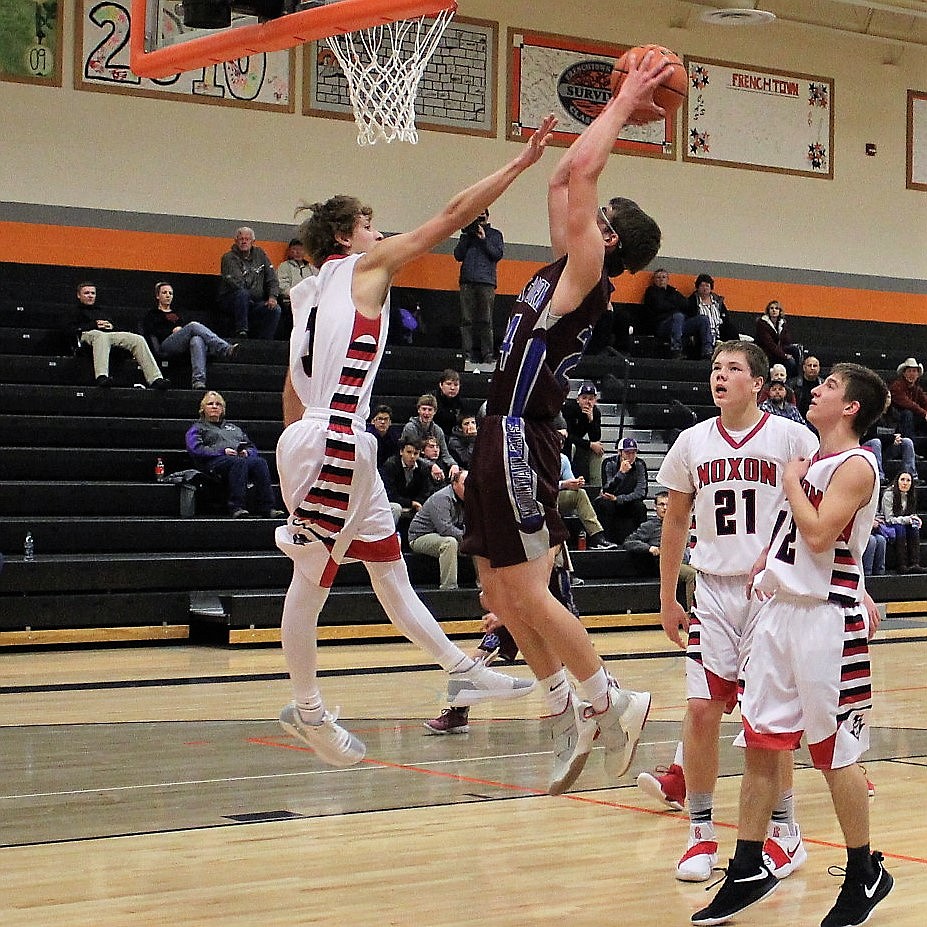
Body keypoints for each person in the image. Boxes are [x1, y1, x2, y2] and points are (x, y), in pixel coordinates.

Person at [273, 115, 557, 766]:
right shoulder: (364, 264)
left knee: (388, 567)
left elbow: (290, 389)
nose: (380, 233)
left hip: (321, 435)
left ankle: (459, 668)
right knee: (312, 581)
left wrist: (298, 456)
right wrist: (518, 164)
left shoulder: (307, 294)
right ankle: (307, 708)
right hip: (337, 437)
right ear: (347, 235)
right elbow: (453, 214)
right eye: (370, 224)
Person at [461, 51, 670, 796]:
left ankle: (611, 699)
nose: (590, 207)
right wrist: (531, 160)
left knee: (529, 588)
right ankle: (564, 707)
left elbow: (582, 174)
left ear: (608, 239)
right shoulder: (565, 262)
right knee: (496, 587)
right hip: (497, 429)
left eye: (601, 214)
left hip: (523, 430)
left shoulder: (584, 268)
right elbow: (564, 177)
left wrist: (620, 103)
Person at [692, 363, 892, 927]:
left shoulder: (857, 465)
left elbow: (822, 532)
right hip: (780, 616)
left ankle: (864, 873)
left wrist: (789, 484)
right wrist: (765, 561)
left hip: (827, 623)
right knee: (762, 743)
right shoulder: (813, 464)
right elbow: (794, 535)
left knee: (834, 755)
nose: (817, 388)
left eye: (829, 385)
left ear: (850, 407)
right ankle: (748, 865)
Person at [638, 340, 819, 884]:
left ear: (757, 382)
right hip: (712, 590)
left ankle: (784, 830)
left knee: (768, 720)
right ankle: (699, 833)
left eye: (733, 369)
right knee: (700, 710)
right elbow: (674, 522)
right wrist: (669, 596)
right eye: (716, 368)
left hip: (771, 592)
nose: (720, 376)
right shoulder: (692, 441)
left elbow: (818, 515)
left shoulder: (792, 438)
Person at [185, 390, 284, 518]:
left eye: (218, 404)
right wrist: (221, 451)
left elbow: (251, 446)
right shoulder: (197, 428)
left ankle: (267, 507)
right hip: (212, 462)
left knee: (259, 462)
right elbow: (196, 449)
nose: (214, 406)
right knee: (238, 462)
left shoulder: (234, 428)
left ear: (223, 409)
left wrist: (246, 452)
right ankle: (237, 506)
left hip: (237, 459)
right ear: (203, 408)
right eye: (210, 404)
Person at [71, 281, 168, 390]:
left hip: (108, 334)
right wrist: (94, 324)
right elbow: (70, 329)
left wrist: (110, 326)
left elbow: (115, 326)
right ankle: (102, 376)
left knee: (137, 339)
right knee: (101, 336)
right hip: (88, 334)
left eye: (93, 293)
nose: (90, 296)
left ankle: (155, 379)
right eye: (86, 293)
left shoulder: (101, 311)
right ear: (79, 295)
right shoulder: (74, 311)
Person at [143, 281, 235, 389]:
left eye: (170, 293)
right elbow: (151, 332)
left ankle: (198, 381)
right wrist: (172, 331)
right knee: (193, 325)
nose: (168, 295)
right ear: (158, 296)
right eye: (164, 293)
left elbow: (185, 329)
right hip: (166, 344)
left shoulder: (178, 313)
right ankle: (223, 348)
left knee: (196, 340)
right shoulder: (152, 314)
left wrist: (181, 332)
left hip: (183, 343)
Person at [621, 491, 696, 611]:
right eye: (661, 504)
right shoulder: (649, 526)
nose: (665, 508)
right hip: (665, 564)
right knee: (692, 574)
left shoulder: (680, 523)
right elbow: (629, 542)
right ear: (655, 507)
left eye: (668, 504)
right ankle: (692, 613)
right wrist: (649, 548)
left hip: (685, 560)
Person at [454, 207, 503, 368]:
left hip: (486, 282)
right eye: (477, 217)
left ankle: (488, 355)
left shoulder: (495, 235)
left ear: (487, 217)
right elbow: (458, 255)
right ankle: (467, 354)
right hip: (467, 281)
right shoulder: (466, 234)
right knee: (467, 320)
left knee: (485, 320)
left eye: (482, 217)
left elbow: (497, 255)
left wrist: (483, 239)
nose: (480, 220)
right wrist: (468, 236)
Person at [218, 226, 281, 339]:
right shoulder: (228, 258)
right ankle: (242, 333)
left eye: (247, 239)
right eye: (241, 239)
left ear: (253, 241)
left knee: (275, 309)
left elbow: (272, 278)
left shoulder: (261, 255)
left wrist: (273, 296)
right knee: (242, 294)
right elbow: (237, 283)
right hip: (233, 301)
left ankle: (264, 343)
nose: (244, 241)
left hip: (254, 302)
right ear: (236, 241)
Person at [408, 470, 468, 590]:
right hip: (420, 536)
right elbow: (445, 529)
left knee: (477, 541)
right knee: (449, 543)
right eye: (465, 484)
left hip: (443, 534)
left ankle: (483, 584)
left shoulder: (469, 499)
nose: (469, 488)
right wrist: (468, 537)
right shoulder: (442, 498)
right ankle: (449, 588)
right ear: (454, 484)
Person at [557, 445, 615, 549]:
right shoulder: (538, 457)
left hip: (557, 496)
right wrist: (564, 484)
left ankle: (597, 537)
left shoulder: (563, 459)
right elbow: (539, 484)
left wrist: (577, 483)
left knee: (580, 493)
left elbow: (571, 482)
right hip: (539, 498)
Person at [642, 267, 707, 359]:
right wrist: (675, 305)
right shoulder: (651, 291)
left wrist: (672, 304)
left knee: (703, 319)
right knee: (678, 316)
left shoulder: (672, 291)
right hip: (662, 325)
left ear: (668, 279)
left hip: (679, 324)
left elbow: (686, 304)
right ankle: (676, 349)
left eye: (664, 277)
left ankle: (707, 351)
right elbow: (659, 306)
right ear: (654, 280)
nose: (661, 280)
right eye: (658, 277)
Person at [593, 437, 649, 544]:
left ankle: (641, 540)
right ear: (619, 452)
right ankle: (605, 541)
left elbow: (641, 492)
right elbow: (607, 489)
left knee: (640, 507)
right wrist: (621, 473)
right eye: (627, 452)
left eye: (634, 453)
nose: (631, 456)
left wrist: (618, 499)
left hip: (627, 501)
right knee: (604, 504)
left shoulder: (640, 464)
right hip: (610, 501)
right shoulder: (609, 463)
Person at [400, 393, 460, 481]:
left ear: (435, 411)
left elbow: (445, 454)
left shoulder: (438, 430)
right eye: (424, 409)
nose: (426, 413)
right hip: (412, 463)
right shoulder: (410, 428)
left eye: (430, 410)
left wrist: (454, 465)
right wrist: (431, 465)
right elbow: (412, 454)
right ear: (418, 410)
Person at [380, 438, 431, 527]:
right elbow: (389, 494)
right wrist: (410, 503)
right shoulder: (390, 465)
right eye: (409, 452)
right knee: (396, 508)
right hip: (392, 503)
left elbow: (425, 492)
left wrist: (417, 503)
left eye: (415, 454)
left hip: (414, 504)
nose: (412, 456)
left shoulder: (423, 468)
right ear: (401, 452)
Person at [881, 470, 925, 573]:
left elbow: (910, 514)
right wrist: (908, 519)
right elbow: (889, 519)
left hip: (902, 523)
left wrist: (915, 519)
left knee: (914, 528)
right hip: (888, 525)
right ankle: (901, 565)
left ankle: (914, 563)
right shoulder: (889, 494)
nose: (905, 483)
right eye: (902, 480)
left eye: (908, 480)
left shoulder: (911, 495)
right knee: (900, 529)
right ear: (897, 481)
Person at [562, 381, 605, 484]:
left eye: (591, 399)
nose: (587, 402)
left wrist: (591, 420)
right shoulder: (569, 408)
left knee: (598, 450)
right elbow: (567, 435)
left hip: (579, 442)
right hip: (564, 441)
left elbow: (595, 438)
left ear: (595, 401)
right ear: (578, 399)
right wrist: (589, 444)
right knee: (572, 446)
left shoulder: (595, 412)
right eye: (584, 398)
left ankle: (596, 486)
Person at [686, 273, 738, 357]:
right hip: (701, 334)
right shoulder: (692, 302)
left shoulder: (718, 302)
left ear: (711, 287)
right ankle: (707, 352)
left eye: (707, 286)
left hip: (719, 331)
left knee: (731, 329)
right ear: (697, 287)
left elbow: (725, 318)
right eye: (702, 286)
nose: (704, 288)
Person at [276, 237, 318, 340]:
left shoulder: (311, 268)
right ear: (290, 251)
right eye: (295, 249)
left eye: (301, 249)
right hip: (291, 302)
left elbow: (318, 284)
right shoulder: (284, 266)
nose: (298, 252)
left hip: (310, 302)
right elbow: (282, 286)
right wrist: (298, 295)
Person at [753, 299, 802, 377]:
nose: (774, 310)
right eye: (771, 308)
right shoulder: (762, 324)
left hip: (778, 350)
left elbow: (787, 341)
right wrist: (785, 355)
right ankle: (788, 379)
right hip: (767, 352)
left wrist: (782, 329)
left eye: (776, 308)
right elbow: (770, 344)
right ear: (768, 311)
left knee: (795, 350)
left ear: (780, 311)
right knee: (790, 362)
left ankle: (800, 376)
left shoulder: (782, 323)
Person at [888, 357, 927, 439]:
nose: (912, 374)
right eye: (909, 371)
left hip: (913, 420)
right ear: (904, 373)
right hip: (896, 420)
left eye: (914, 371)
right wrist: (924, 413)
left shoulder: (917, 389)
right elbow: (907, 403)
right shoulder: (896, 386)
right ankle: (910, 442)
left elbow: (925, 402)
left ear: (917, 375)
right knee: (907, 413)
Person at [789, 354, 824, 420]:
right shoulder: (792, 384)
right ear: (804, 368)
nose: (812, 368)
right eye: (809, 365)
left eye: (815, 366)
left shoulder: (824, 385)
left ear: (819, 368)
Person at [366, 404, 402, 469]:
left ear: (390, 422)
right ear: (373, 421)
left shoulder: (394, 437)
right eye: (380, 419)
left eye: (386, 419)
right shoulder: (367, 437)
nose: (383, 422)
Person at [433, 368, 464, 435]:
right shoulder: (432, 401)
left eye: (456, 385)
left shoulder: (461, 403)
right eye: (449, 384)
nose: (452, 388)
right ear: (441, 385)